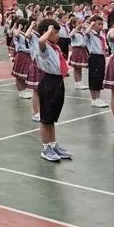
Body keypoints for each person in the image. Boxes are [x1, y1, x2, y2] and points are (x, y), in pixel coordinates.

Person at [35, 20, 73, 162]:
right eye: (54, 33)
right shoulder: (44, 48)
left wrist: (52, 31)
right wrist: (49, 30)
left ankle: (53, 144)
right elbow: (40, 40)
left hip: (58, 82)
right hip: (49, 82)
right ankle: (46, 148)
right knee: (46, 119)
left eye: (57, 32)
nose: (57, 35)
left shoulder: (55, 47)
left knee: (52, 118)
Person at [67, 17, 89, 90]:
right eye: (78, 23)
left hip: (83, 50)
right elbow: (70, 35)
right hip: (77, 50)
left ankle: (80, 82)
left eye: (81, 23)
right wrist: (76, 28)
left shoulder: (82, 31)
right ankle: (77, 83)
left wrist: (85, 27)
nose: (80, 24)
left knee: (80, 68)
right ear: (74, 24)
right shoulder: (74, 32)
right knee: (76, 68)